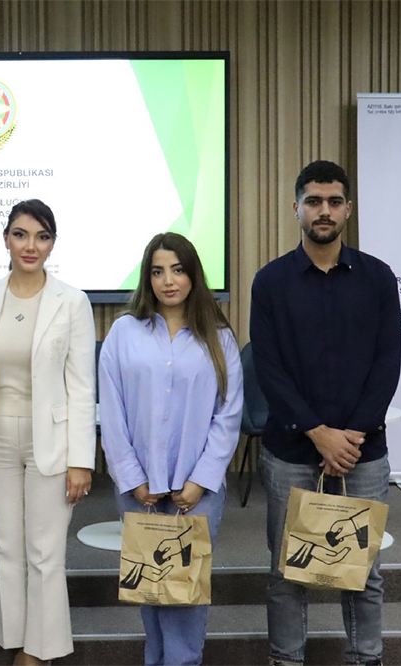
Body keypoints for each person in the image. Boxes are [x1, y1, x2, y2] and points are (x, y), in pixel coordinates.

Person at [249, 160, 401, 666]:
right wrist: (319, 434)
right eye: (314, 201)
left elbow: (387, 365)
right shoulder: (270, 282)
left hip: (362, 454)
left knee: (363, 571)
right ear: (296, 208)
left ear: (348, 210)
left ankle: (365, 658)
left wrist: (349, 436)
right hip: (292, 451)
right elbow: (270, 369)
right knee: (288, 572)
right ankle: (286, 659)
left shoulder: (379, 279)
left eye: (334, 201)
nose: (324, 210)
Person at [99, 232, 243, 666]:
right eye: (158, 271)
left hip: (196, 492)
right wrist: (133, 478)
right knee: (151, 588)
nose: (168, 281)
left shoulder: (218, 336)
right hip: (138, 488)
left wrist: (200, 480)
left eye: (178, 270)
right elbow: (112, 409)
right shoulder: (123, 332)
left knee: (184, 593)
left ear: (193, 275)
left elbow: (229, 413)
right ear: (147, 278)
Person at [0, 199, 96, 665]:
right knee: (6, 549)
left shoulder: (72, 301)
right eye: (21, 234)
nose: (30, 245)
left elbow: (82, 386)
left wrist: (81, 459)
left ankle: (37, 654)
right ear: (6, 238)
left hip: (53, 441)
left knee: (45, 553)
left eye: (41, 236)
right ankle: (16, 640)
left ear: (52, 244)